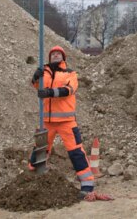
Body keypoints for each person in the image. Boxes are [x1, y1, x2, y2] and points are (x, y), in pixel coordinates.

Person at [30, 46, 113, 202]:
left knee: (76, 152)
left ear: (63, 57)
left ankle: (87, 185)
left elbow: (68, 90)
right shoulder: (45, 73)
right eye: (52, 53)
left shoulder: (70, 73)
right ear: (49, 57)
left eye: (58, 54)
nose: (55, 55)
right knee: (39, 150)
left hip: (66, 122)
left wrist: (49, 92)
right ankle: (31, 180)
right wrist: (35, 77)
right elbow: (36, 86)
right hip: (46, 121)